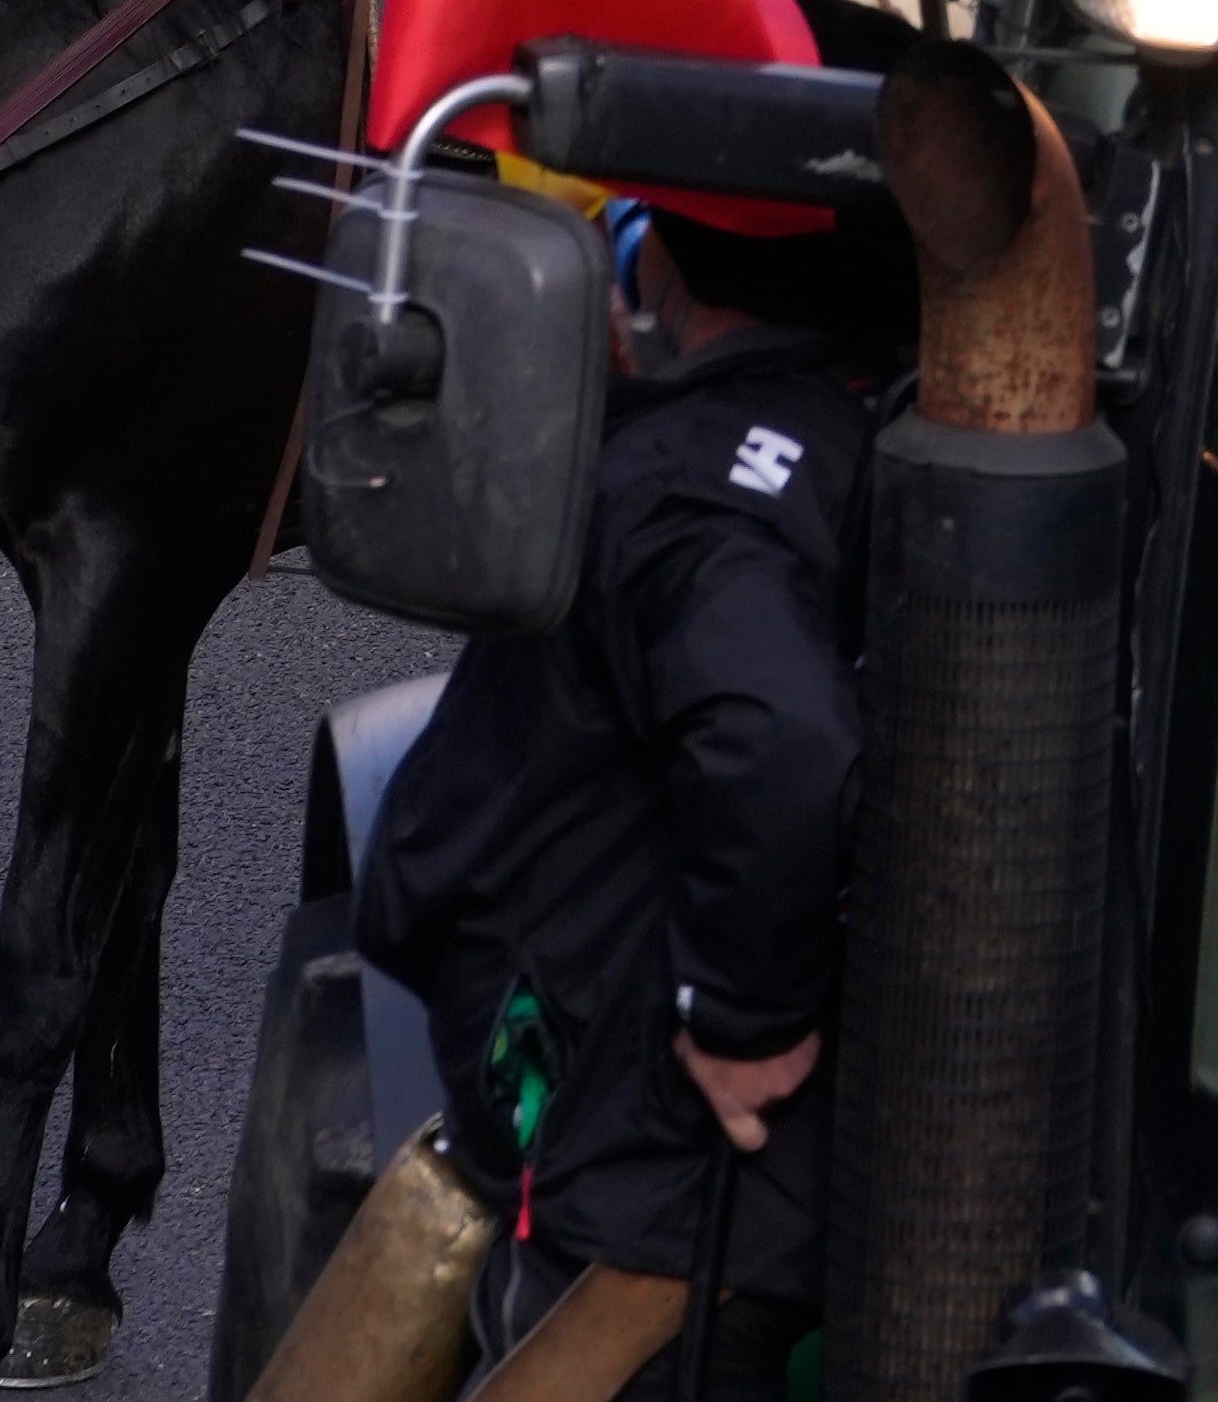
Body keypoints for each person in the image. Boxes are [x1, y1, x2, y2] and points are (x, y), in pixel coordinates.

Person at [341, 196, 881, 1398]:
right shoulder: (843, 428)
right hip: (672, 1180)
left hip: (645, 1197)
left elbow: (780, 738)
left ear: (683, 257)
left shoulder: (697, 491)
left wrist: (739, 1018)